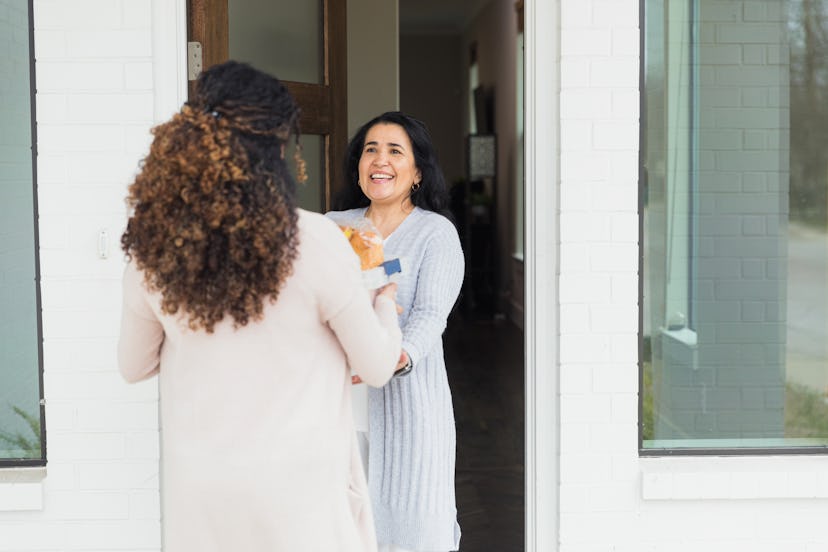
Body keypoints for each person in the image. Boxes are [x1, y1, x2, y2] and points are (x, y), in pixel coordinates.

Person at [117, 61, 404, 552]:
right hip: (299, 501)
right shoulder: (315, 239)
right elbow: (377, 366)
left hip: (202, 501)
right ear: (276, 148)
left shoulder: (155, 250)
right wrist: (385, 306)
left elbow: (133, 365)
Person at [326, 111, 465, 552]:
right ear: (358, 166)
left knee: (414, 527)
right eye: (370, 150)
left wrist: (395, 359)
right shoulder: (332, 226)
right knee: (341, 525)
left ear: (417, 171)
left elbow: (429, 316)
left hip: (409, 407)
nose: (379, 160)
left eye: (394, 151)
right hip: (339, 402)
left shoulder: (434, 234)